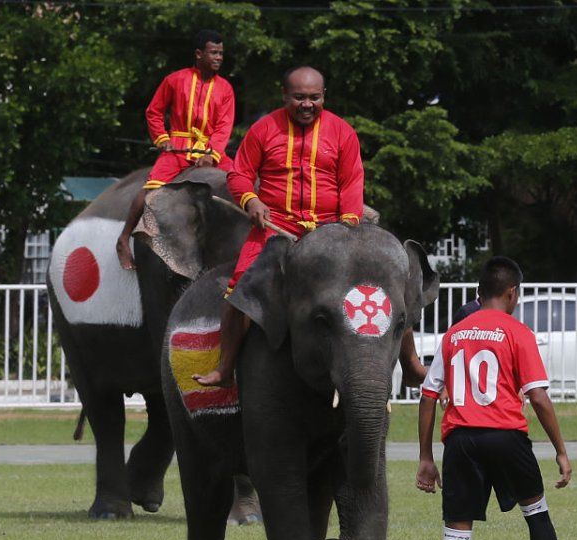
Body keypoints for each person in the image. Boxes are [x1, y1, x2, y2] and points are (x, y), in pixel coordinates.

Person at [194, 66, 425, 387]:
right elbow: (239, 173)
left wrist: (347, 226)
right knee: (238, 290)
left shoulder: (342, 131)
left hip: (332, 231)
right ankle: (224, 366)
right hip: (274, 228)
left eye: (314, 98)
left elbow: (352, 181)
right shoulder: (263, 129)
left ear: (324, 96)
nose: (307, 104)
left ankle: (410, 362)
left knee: (389, 282)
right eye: (299, 97)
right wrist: (251, 202)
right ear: (285, 96)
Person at [416, 256, 574, 540]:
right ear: (512, 293)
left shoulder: (453, 335)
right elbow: (537, 396)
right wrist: (560, 449)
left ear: (477, 293)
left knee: (456, 537)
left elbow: (429, 395)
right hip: (506, 436)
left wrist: (425, 457)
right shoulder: (518, 332)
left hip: (462, 442)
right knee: (536, 513)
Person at [116, 30, 235, 270]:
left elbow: (224, 126)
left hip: (211, 151)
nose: (219, 58)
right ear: (199, 54)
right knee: (151, 192)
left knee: (240, 183)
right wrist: (161, 138)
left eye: (221, 53)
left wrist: (211, 155)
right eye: (214, 53)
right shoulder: (175, 80)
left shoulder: (226, 88)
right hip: (177, 149)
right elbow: (154, 111)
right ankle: (123, 238)